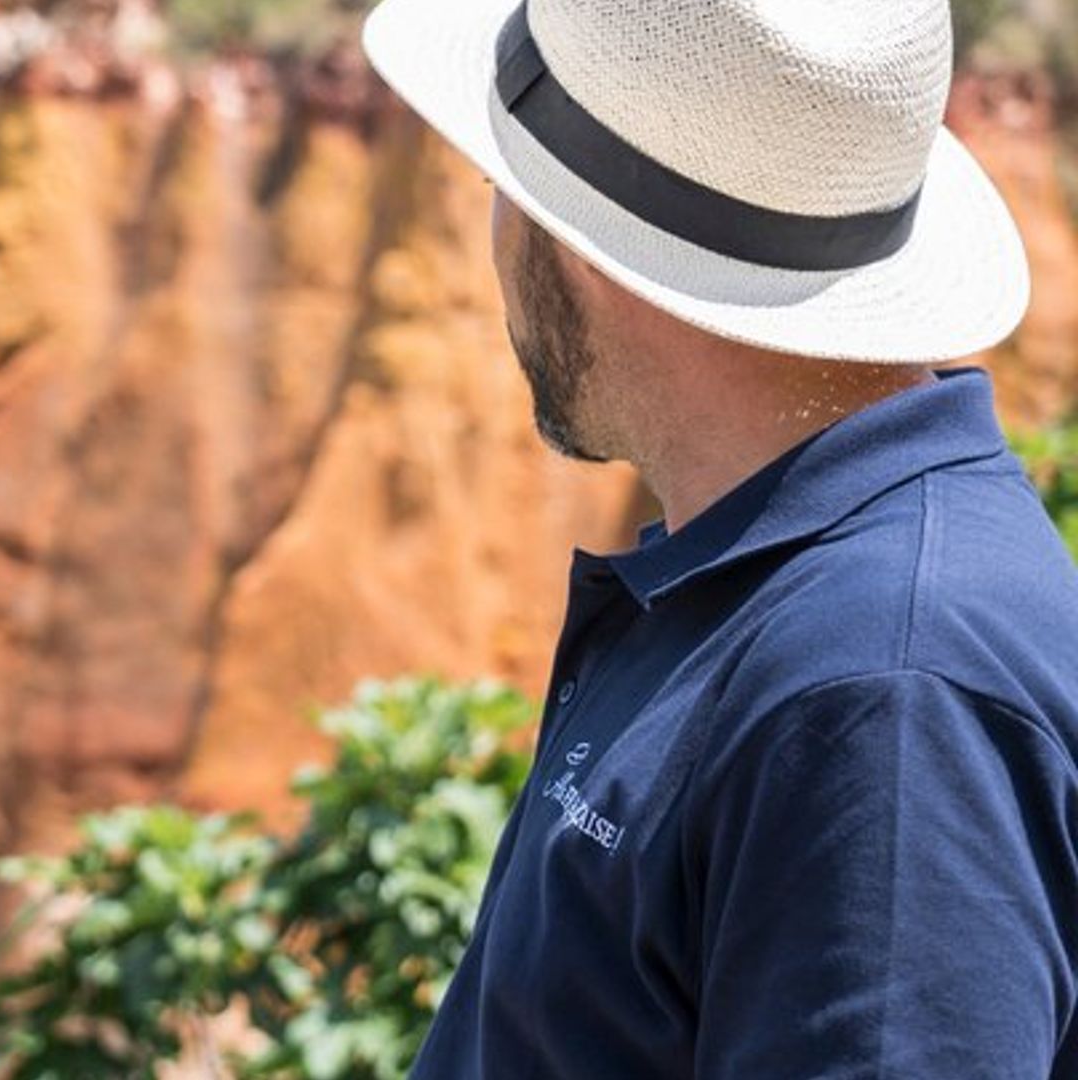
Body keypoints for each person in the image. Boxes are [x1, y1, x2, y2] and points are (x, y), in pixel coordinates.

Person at [361, 0, 1078, 1076]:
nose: (495, 238)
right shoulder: (780, 588)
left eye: (502, 189)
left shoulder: (884, 689)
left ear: (590, 247)